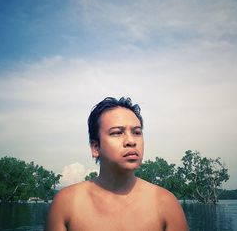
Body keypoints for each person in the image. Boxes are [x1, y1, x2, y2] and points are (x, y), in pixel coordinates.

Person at [45, 97, 189, 231]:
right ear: (95, 148)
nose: (131, 141)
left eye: (137, 132)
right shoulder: (67, 203)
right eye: (117, 133)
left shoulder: (165, 204)